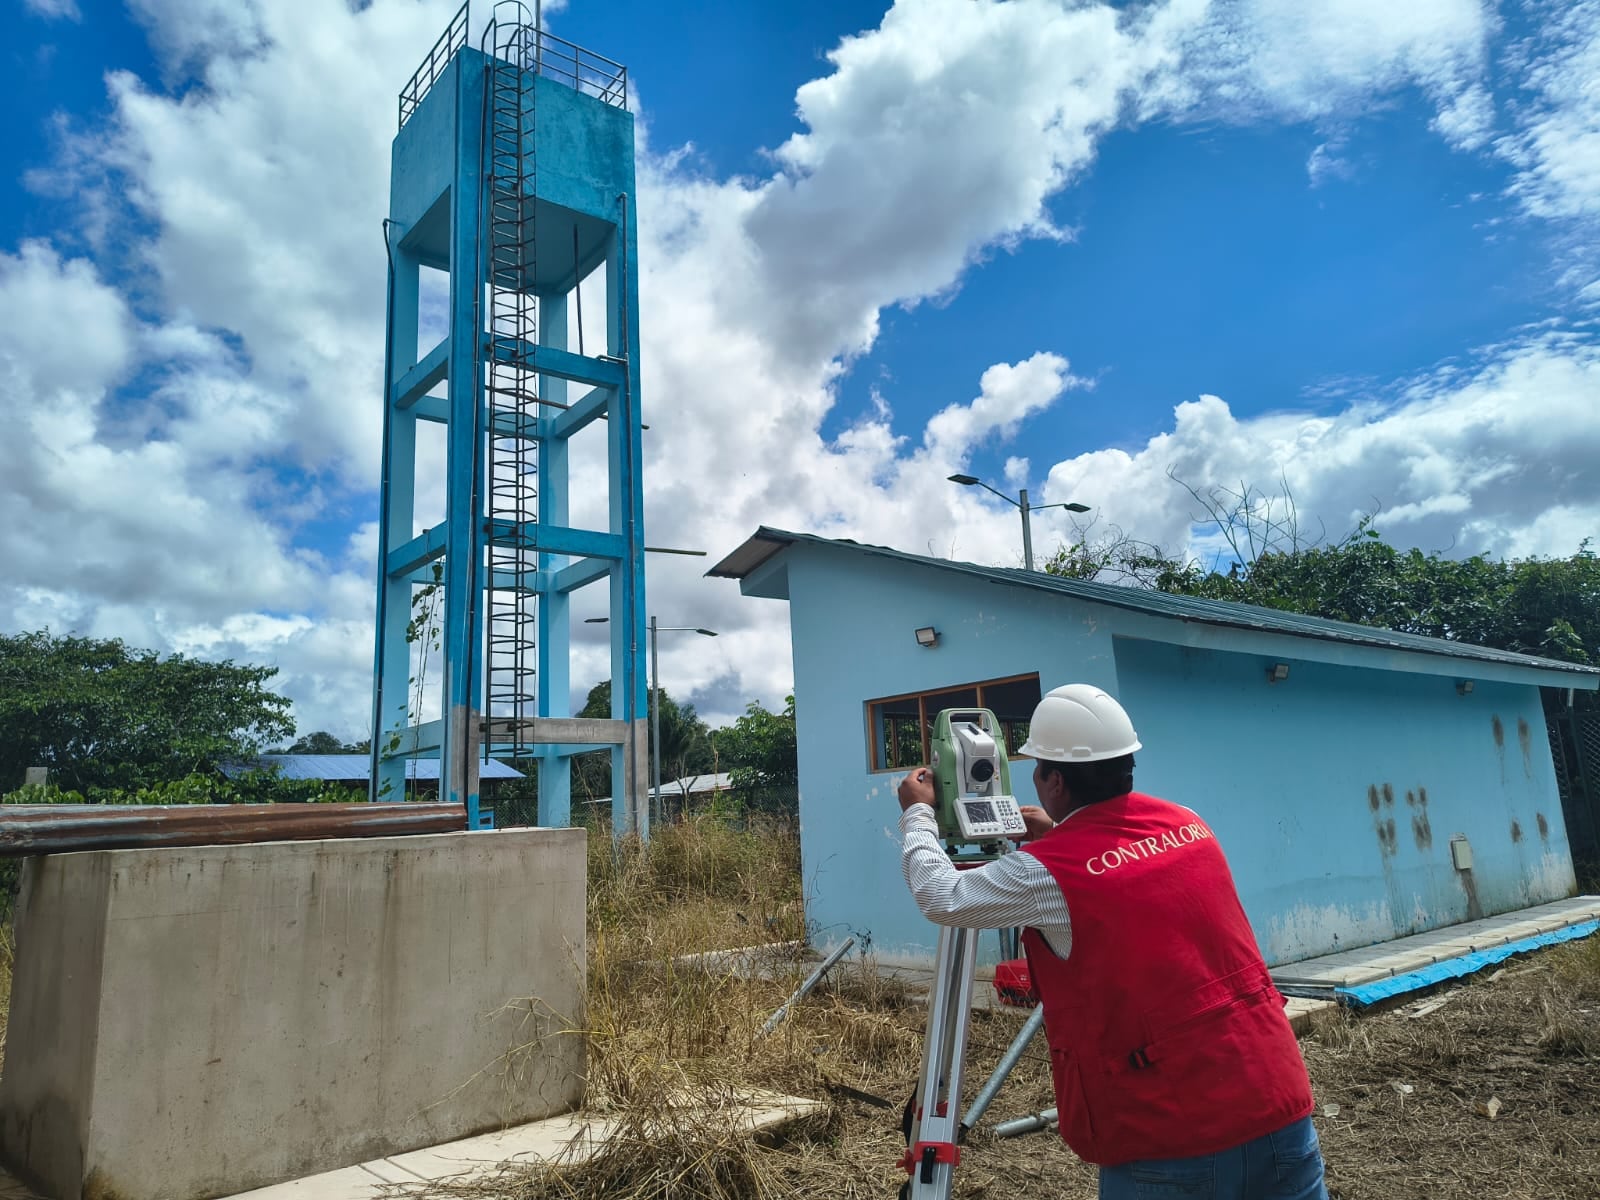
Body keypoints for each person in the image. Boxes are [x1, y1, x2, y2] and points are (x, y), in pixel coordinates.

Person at [896, 683, 1328, 1200]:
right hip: (1275, 1101)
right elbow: (1125, 866)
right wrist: (1059, 829)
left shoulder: (1049, 871)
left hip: (1168, 1130)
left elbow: (943, 897)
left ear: (1053, 779)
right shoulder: (1189, 824)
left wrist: (917, 814)